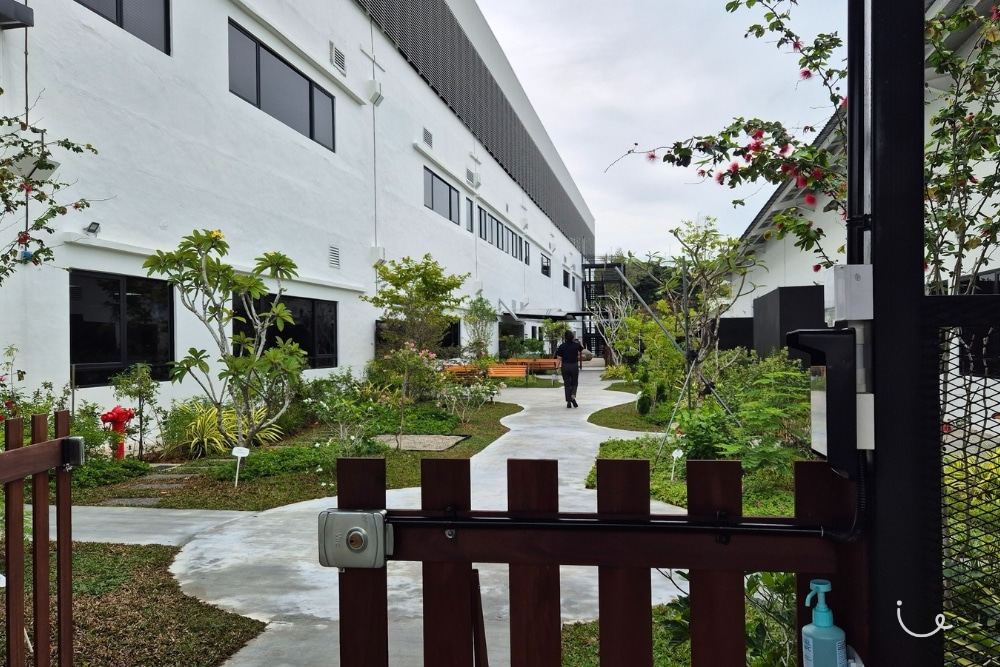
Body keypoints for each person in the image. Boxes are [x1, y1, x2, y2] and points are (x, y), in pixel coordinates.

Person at [554, 331, 585, 408]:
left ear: (565, 337)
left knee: (567, 384)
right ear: (573, 337)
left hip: (565, 366)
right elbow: (582, 348)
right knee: (574, 382)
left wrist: (557, 367)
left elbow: (559, 358)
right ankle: (573, 395)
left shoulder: (561, 346)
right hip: (574, 366)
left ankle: (568, 402)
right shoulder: (576, 345)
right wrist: (580, 343)